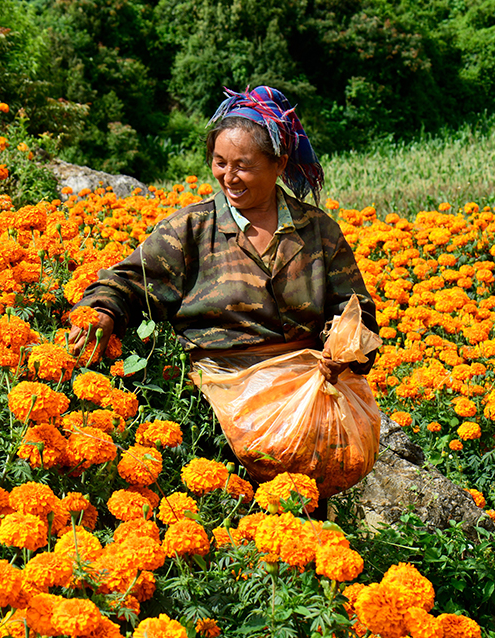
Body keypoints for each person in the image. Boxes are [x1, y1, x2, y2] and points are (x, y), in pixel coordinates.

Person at [69, 86, 379, 508]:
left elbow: (354, 308)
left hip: (306, 409)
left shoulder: (317, 230)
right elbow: (128, 281)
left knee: (302, 519)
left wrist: (346, 347)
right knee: (234, 516)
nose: (229, 177)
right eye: (220, 163)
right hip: (219, 408)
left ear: (279, 164)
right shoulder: (192, 229)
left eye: (243, 166)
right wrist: (102, 311)